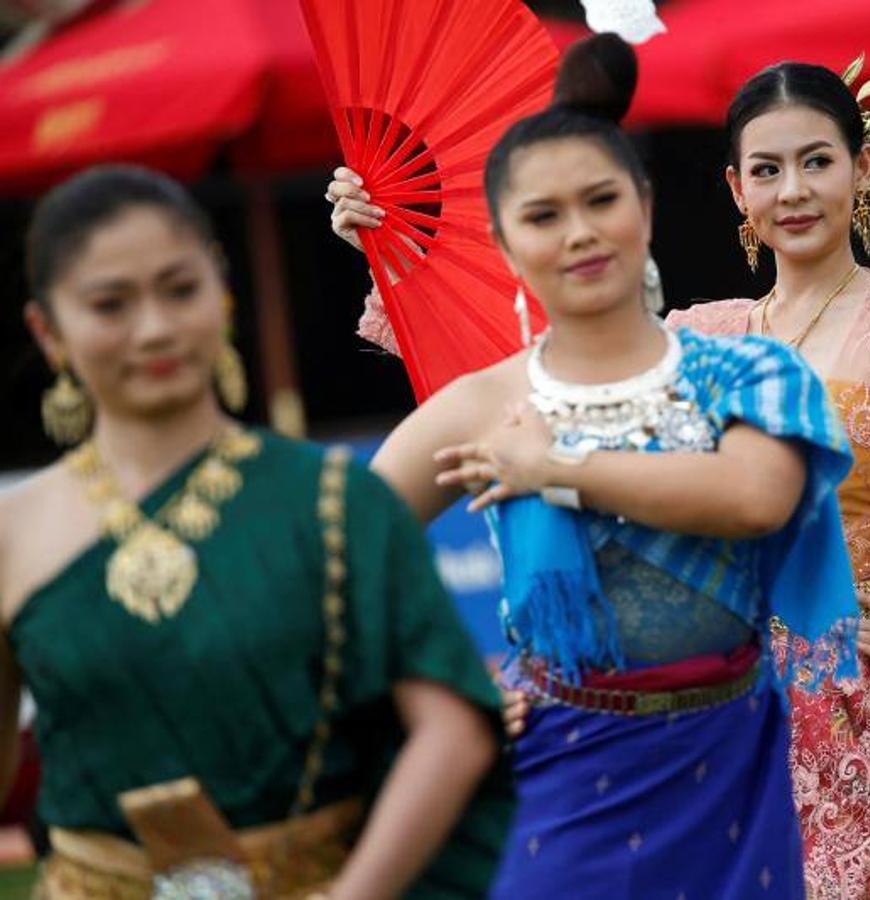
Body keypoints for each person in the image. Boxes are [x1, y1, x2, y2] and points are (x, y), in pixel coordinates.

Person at [330, 50, 870, 898]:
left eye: (815, 162)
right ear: (735, 190)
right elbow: (540, 367)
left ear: (862, 169)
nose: (792, 190)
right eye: (767, 169)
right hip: (707, 687)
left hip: (846, 692)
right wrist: (401, 241)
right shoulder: (706, 335)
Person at [0, 165, 513, 899]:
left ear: (221, 289)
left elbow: (451, 732)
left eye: (180, 290)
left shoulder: (338, 504)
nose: (154, 328)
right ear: (48, 331)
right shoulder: (12, 533)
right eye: (110, 305)